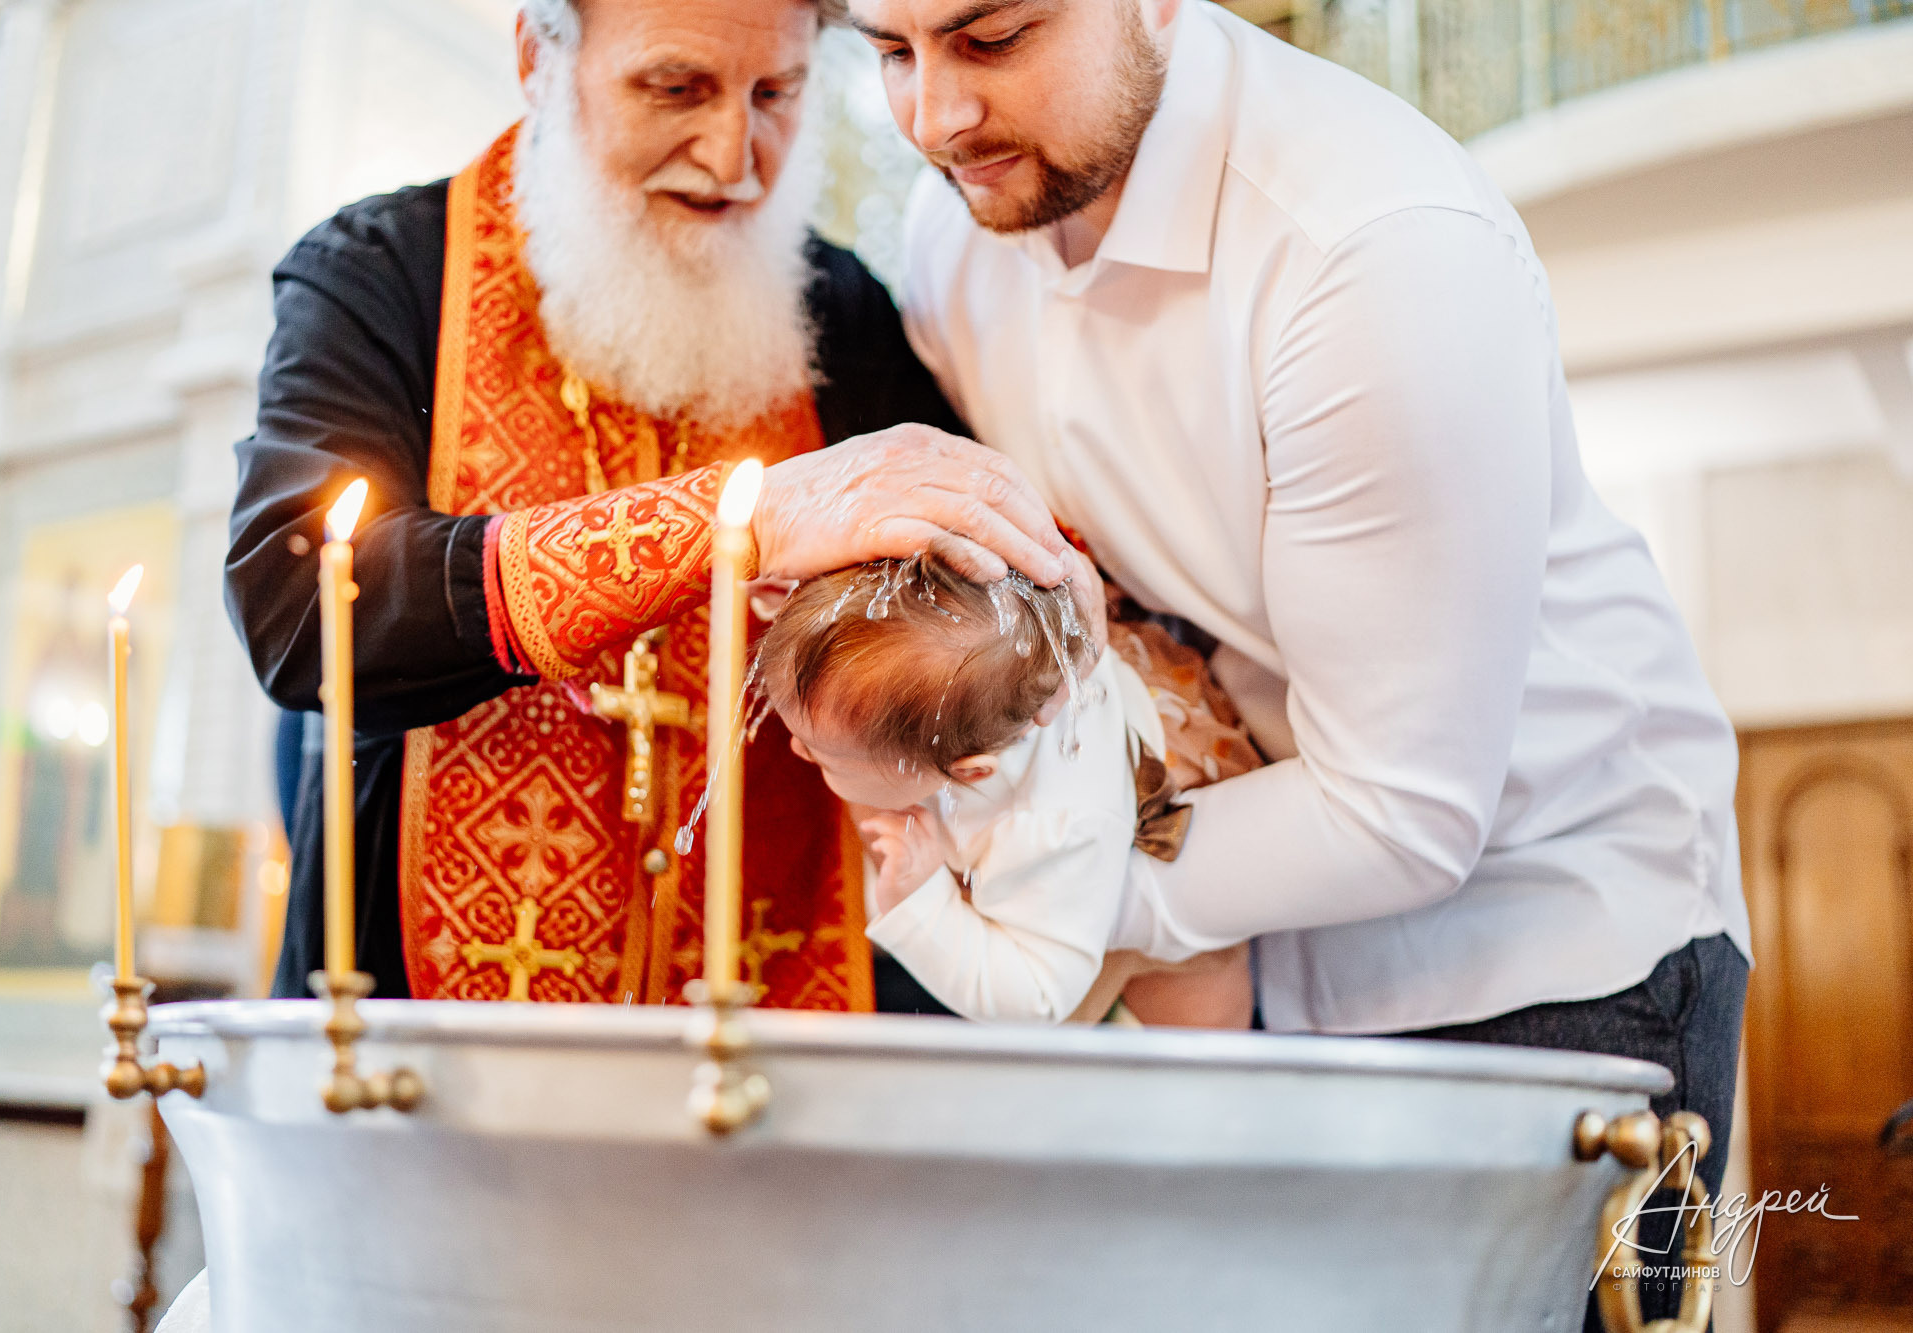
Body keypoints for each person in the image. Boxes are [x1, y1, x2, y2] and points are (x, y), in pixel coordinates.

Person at [852, 0, 1749, 1320]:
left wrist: (1038, 894)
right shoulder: (954, 240)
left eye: (991, 39)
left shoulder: (1369, 244)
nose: (934, 117)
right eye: (888, 52)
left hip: (1547, 953)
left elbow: (1405, 810)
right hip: (1270, 951)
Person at [224, 0, 1081, 1010]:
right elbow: (301, 608)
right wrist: (749, 520)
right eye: (675, 88)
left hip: (769, 1055)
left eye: (775, 95)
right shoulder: (380, 273)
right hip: (431, 1062)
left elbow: (999, 602)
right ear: (539, 56)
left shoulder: (842, 314)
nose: (732, 157)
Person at [760, 555, 1259, 1026]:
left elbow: (1040, 994)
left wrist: (922, 901)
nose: (796, 751)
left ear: (970, 771)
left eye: (825, 754)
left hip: (1154, 834)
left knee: (1192, 990)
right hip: (1092, 703)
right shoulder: (993, 651)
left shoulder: (1050, 829)